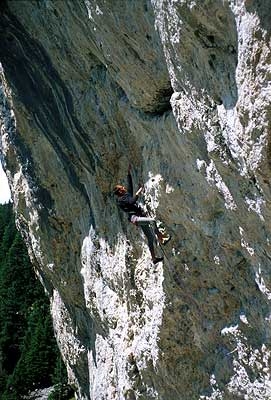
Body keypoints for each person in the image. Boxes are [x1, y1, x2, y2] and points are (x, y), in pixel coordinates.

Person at [113, 165, 166, 264]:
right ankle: (160, 237)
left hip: (139, 217)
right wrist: (139, 191)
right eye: (122, 187)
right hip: (136, 218)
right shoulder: (121, 200)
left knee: (150, 238)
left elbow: (130, 186)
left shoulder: (125, 196)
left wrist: (128, 173)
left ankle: (154, 258)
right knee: (152, 221)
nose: (124, 187)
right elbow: (132, 201)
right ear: (120, 191)